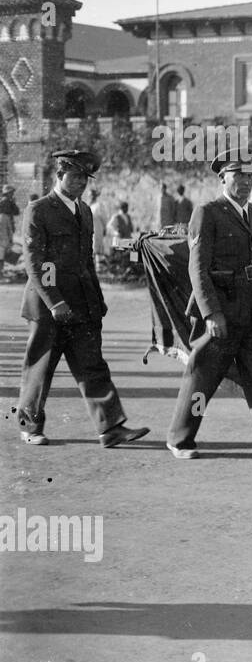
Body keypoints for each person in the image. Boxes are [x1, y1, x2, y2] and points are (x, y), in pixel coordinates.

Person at [164, 152, 252, 463]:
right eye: (237, 176)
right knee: (204, 379)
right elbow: (197, 269)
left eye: (249, 177)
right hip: (223, 312)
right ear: (223, 179)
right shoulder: (207, 213)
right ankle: (180, 437)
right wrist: (211, 313)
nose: (244, 182)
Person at [16, 149, 149, 448]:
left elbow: (86, 260)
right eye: (74, 176)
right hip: (48, 306)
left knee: (93, 365)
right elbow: (35, 264)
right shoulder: (39, 210)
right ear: (59, 175)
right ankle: (30, 427)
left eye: (85, 178)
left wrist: (97, 299)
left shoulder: (85, 211)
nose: (80, 183)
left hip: (81, 304)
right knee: (40, 368)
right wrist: (55, 303)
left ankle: (111, 428)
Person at [0, 184, 19, 264]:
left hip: (6, 226)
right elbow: (16, 212)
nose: (12, 194)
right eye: (11, 192)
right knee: (4, 247)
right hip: (4, 226)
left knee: (4, 248)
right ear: (7, 193)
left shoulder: (7, 201)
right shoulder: (5, 201)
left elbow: (16, 212)